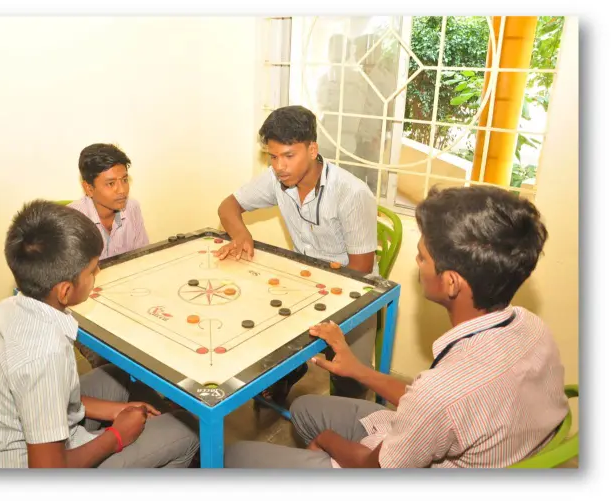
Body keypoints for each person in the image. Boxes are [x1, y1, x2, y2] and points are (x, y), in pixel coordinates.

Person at [224, 185, 568, 468]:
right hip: (482, 449)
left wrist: (327, 441)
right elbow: (443, 409)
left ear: (450, 282)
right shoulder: (532, 327)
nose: (417, 264)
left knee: (235, 455)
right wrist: (358, 370)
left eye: (422, 257)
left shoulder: (441, 393)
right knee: (303, 409)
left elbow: (374, 467)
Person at [0, 200, 199, 468]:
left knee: (117, 376)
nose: (98, 272)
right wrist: (117, 436)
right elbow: (48, 472)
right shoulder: (45, 355)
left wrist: (116, 410)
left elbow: (43, 397)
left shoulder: (5, 309)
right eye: (92, 269)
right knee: (187, 429)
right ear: (65, 291)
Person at [216, 105, 379, 403]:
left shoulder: (352, 193)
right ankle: (287, 374)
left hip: (352, 294)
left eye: (289, 155)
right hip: (303, 285)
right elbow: (228, 207)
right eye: (273, 156)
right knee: (251, 325)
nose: (280, 166)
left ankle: (338, 406)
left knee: (350, 382)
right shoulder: (276, 179)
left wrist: (318, 301)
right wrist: (241, 235)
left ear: (312, 150)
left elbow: (360, 269)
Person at [68, 143, 150, 369]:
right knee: (112, 364)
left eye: (124, 180)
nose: (122, 190)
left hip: (127, 302)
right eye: (111, 184)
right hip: (85, 312)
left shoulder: (132, 208)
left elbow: (142, 261)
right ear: (88, 188)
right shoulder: (72, 220)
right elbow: (70, 290)